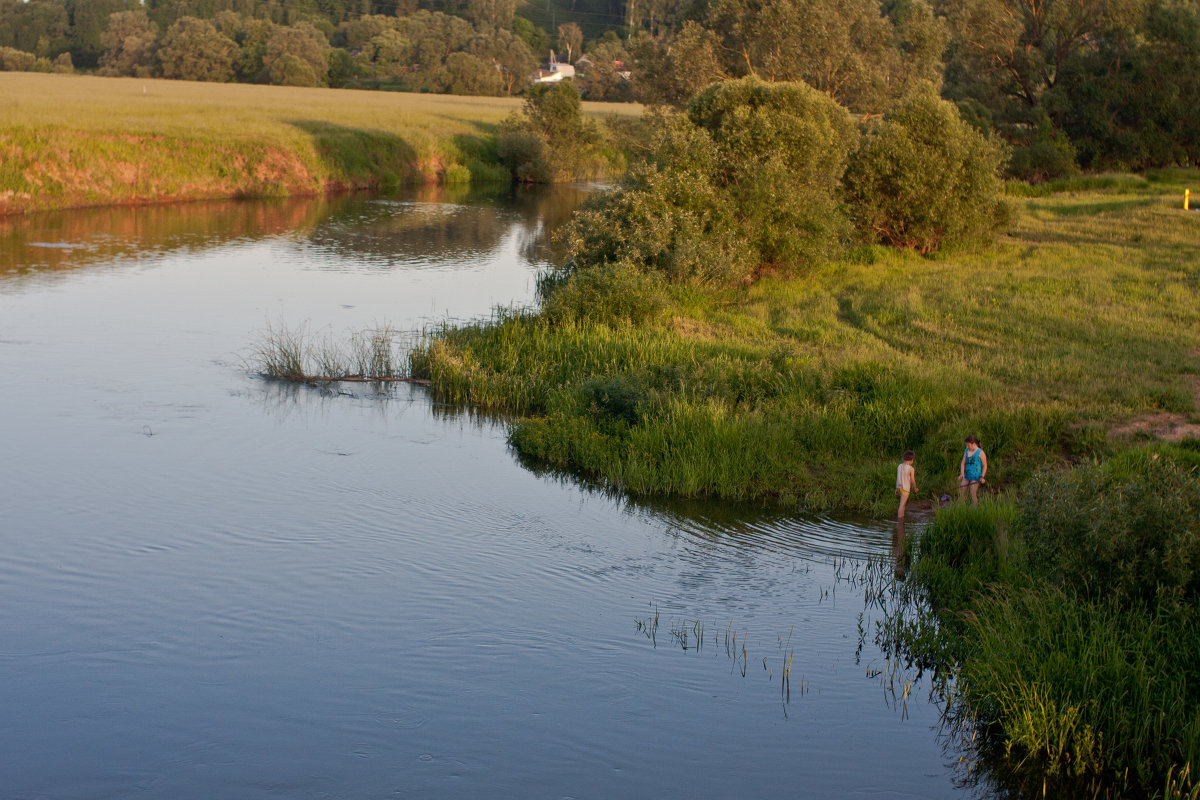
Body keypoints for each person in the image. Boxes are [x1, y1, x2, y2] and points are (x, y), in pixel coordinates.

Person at [958, 435, 988, 505]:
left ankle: (975, 509)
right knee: (962, 490)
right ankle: (962, 507)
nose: (967, 447)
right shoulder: (966, 451)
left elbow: (985, 465)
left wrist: (982, 477)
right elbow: (963, 463)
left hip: (976, 476)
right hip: (967, 474)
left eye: (968, 445)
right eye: (966, 445)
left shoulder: (980, 452)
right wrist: (962, 474)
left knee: (972, 493)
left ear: (973, 444)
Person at [895, 450, 918, 520]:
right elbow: (912, 480)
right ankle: (900, 521)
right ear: (912, 460)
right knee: (901, 505)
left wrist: (896, 489)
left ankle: (902, 516)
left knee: (903, 504)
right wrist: (915, 488)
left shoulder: (899, 466)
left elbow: (898, 477)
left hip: (899, 488)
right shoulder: (911, 469)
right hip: (905, 489)